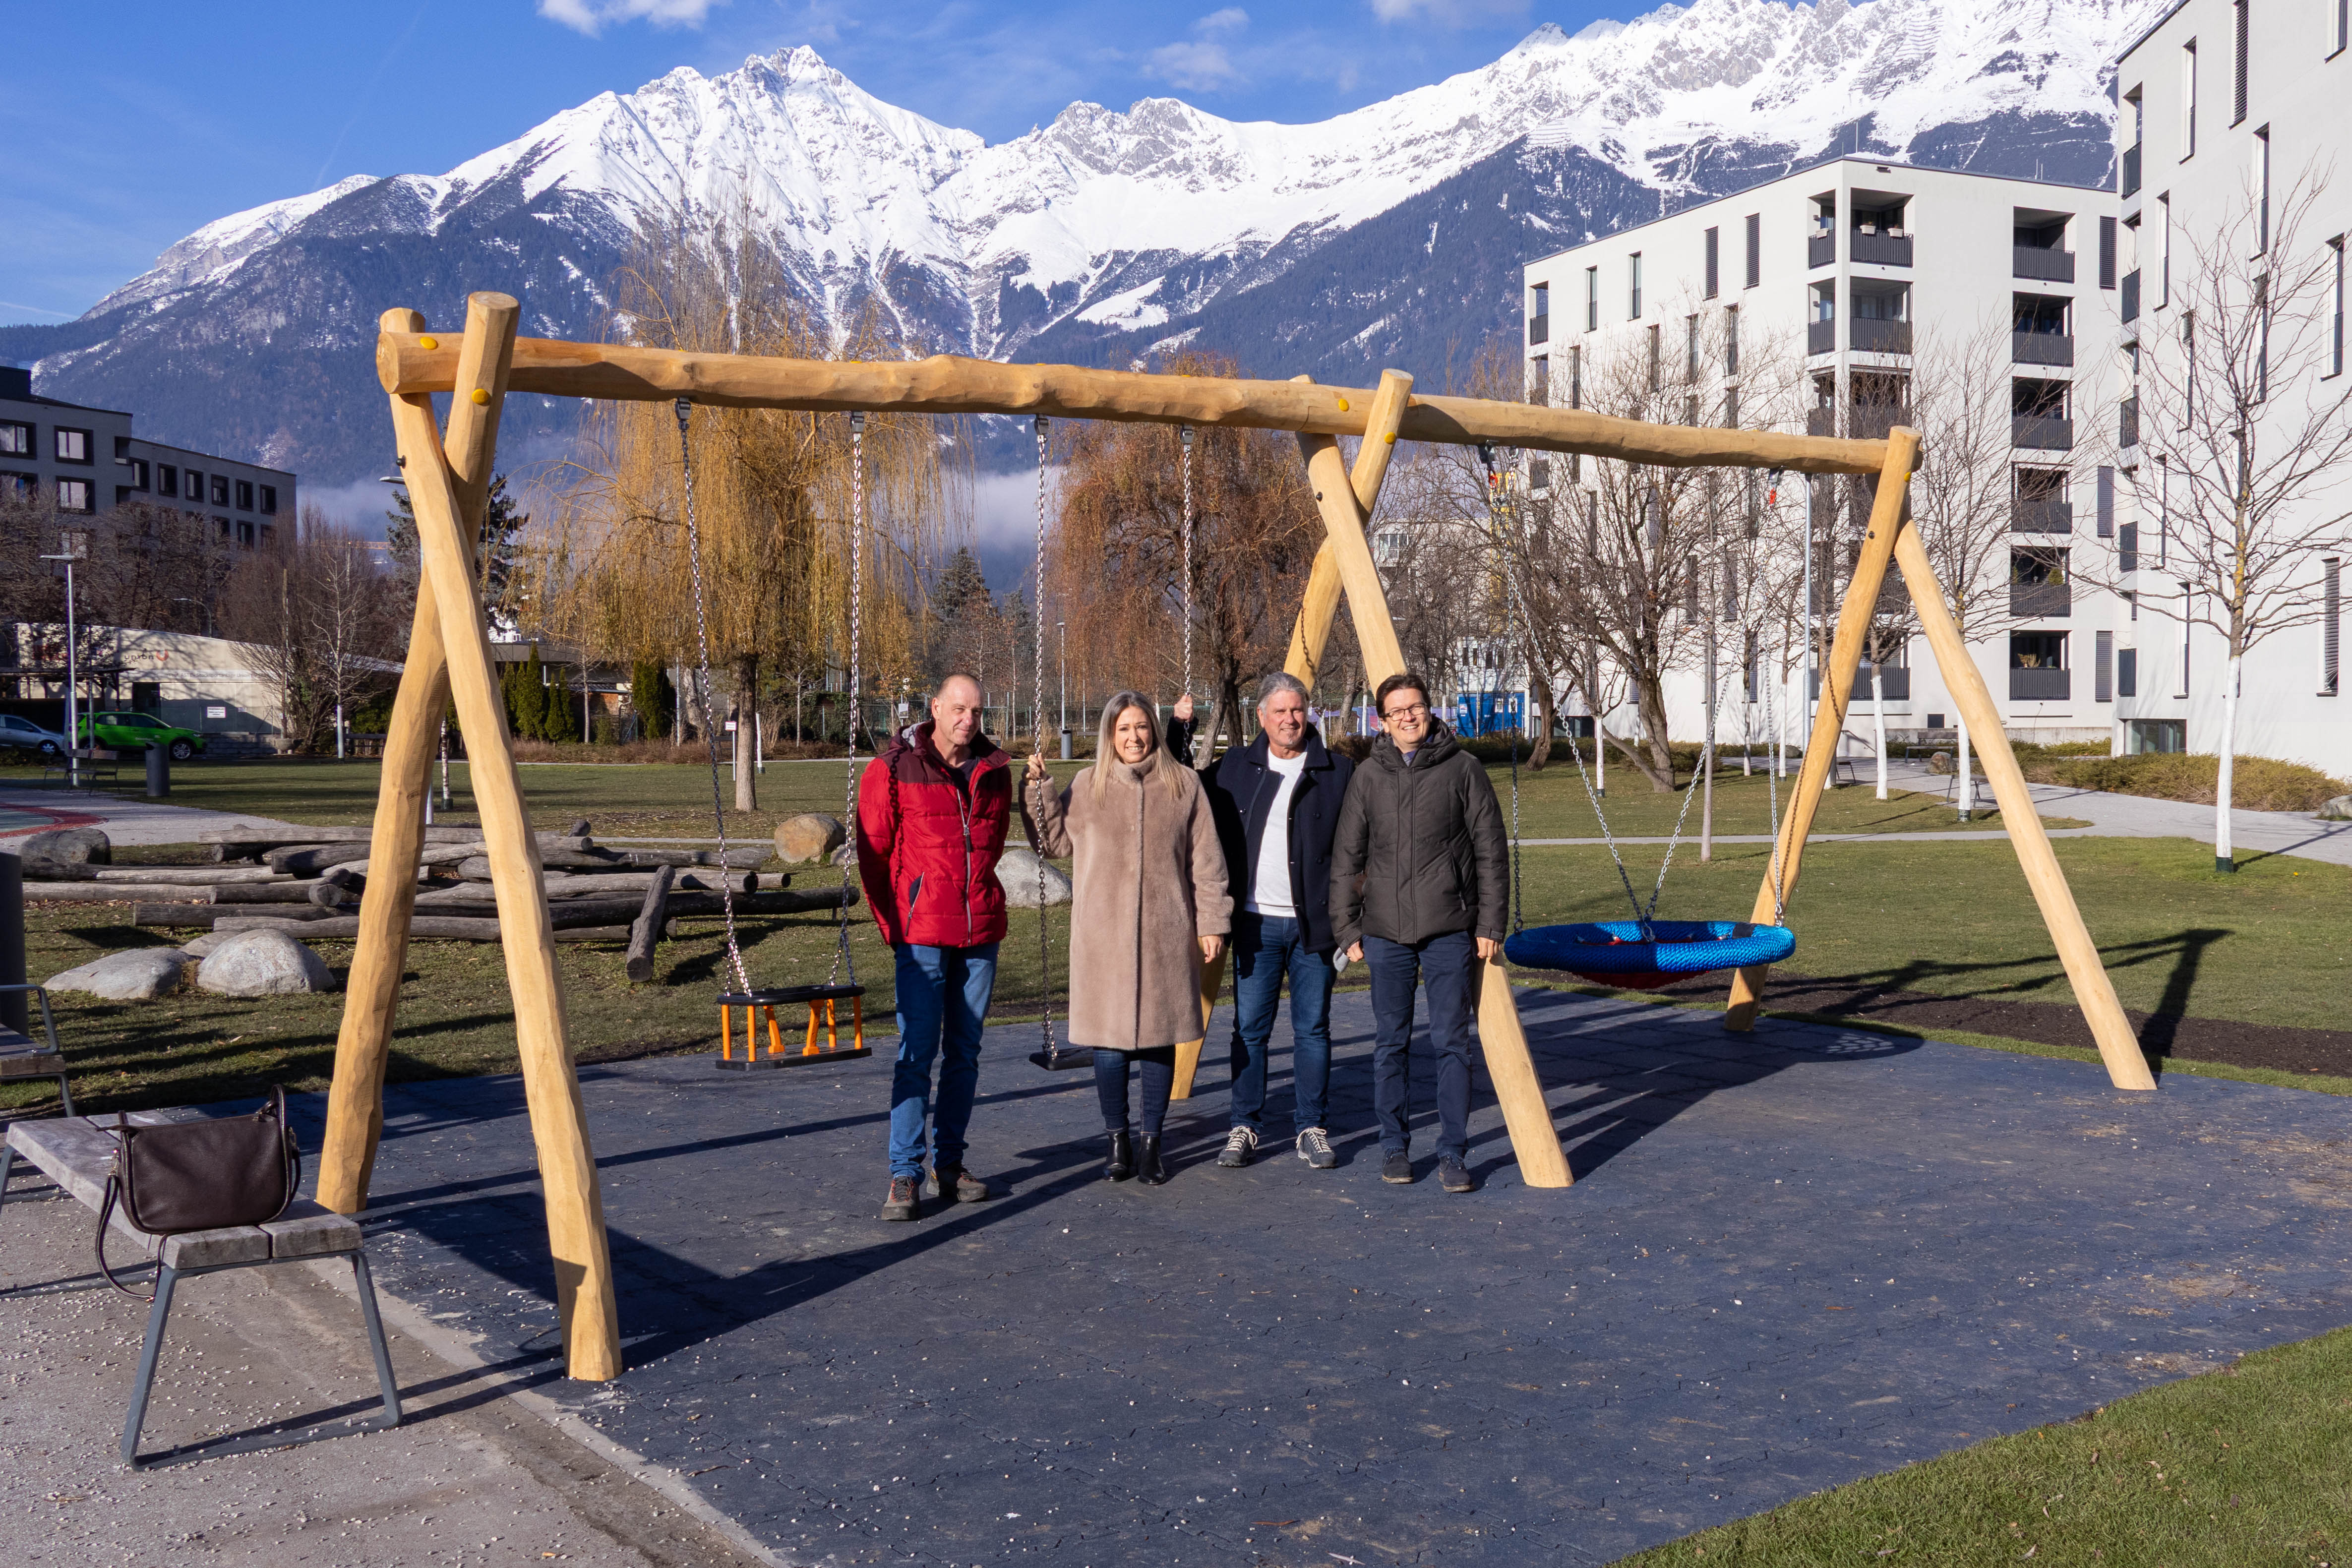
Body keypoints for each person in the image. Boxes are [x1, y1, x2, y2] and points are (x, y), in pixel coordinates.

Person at [1023, 692, 1230, 1186]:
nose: (1134, 738)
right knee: (1109, 1046)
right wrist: (1038, 788)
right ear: (1109, 736)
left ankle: (1152, 1143)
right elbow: (1052, 843)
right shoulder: (1089, 786)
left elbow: (1207, 861)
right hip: (1104, 938)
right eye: (1123, 730)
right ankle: (1117, 1138)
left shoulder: (1183, 786)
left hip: (1166, 932)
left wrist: (1211, 922)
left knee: (1160, 1042)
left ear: (1154, 731)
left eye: (1141, 728)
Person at [1329, 670, 1508, 1195]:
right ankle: (1394, 1145)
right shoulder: (1368, 777)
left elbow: (1490, 852)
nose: (1409, 716)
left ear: (1430, 710)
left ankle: (1453, 1151)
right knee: (1390, 1044)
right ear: (1382, 722)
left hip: (1449, 929)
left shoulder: (1464, 769)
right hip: (1384, 931)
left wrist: (1490, 922)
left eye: (1416, 707)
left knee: (1451, 1042)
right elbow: (1346, 857)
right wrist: (1347, 926)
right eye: (1397, 711)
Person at [1168, 673, 1355, 1171]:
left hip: (1315, 927)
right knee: (1250, 1029)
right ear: (1261, 717)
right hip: (1254, 925)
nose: (1291, 720)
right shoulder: (1236, 768)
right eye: (1281, 712)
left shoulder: (1338, 772)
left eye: (1298, 711)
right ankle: (1244, 1126)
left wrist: (1354, 917)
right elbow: (1179, 781)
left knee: (1313, 1029)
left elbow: (1366, 847)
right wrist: (1179, 728)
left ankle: (1310, 1126)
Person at [856, 673, 1013, 1222]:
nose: (968, 720)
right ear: (935, 709)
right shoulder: (894, 769)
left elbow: (993, 847)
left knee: (965, 1053)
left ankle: (951, 1164)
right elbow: (873, 857)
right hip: (921, 934)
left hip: (979, 933)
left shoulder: (995, 772)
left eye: (976, 710)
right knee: (916, 1055)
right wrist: (894, 926)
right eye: (959, 709)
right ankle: (905, 1171)